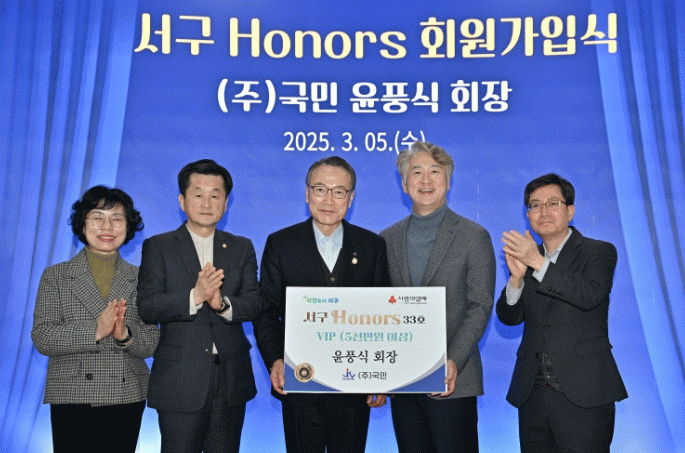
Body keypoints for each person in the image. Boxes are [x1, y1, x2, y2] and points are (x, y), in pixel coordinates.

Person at [253, 156, 389, 453]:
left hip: (354, 387)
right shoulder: (281, 244)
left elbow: (382, 316)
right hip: (299, 383)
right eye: (320, 189)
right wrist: (276, 360)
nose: (328, 200)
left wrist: (381, 375)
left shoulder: (372, 246)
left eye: (339, 191)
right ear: (307, 193)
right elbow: (266, 313)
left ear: (350, 198)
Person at [137, 159, 264, 453]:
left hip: (230, 379)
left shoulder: (241, 246)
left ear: (226, 203)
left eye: (215, 195)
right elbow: (148, 306)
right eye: (198, 194)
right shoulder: (159, 246)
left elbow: (255, 301)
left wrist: (221, 304)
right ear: (182, 201)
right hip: (180, 380)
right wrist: (195, 296)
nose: (207, 203)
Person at [496, 173, 627, 453]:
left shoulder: (599, 252)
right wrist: (516, 279)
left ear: (570, 210)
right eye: (535, 205)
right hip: (532, 394)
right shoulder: (527, 259)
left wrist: (538, 263)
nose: (543, 211)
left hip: (584, 393)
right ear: (528, 215)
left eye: (552, 203)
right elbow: (509, 318)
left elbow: (587, 296)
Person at [380, 141, 495, 453]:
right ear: (404, 184)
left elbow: (480, 306)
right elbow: (378, 310)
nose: (426, 180)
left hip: (452, 381)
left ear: (448, 181)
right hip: (403, 380)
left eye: (435, 171)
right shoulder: (386, 240)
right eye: (417, 172)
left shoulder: (474, 236)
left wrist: (452, 360)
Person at [31, 185, 159, 453]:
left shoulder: (142, 278)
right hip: (72, 394)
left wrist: (125, 335)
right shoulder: (56, 276)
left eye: (116, 219)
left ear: (128, 226)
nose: (107, 227)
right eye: (98, 217)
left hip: (125, 394)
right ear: (82, 223)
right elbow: (43, 336)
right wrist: (95, 331)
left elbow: (152, 342)